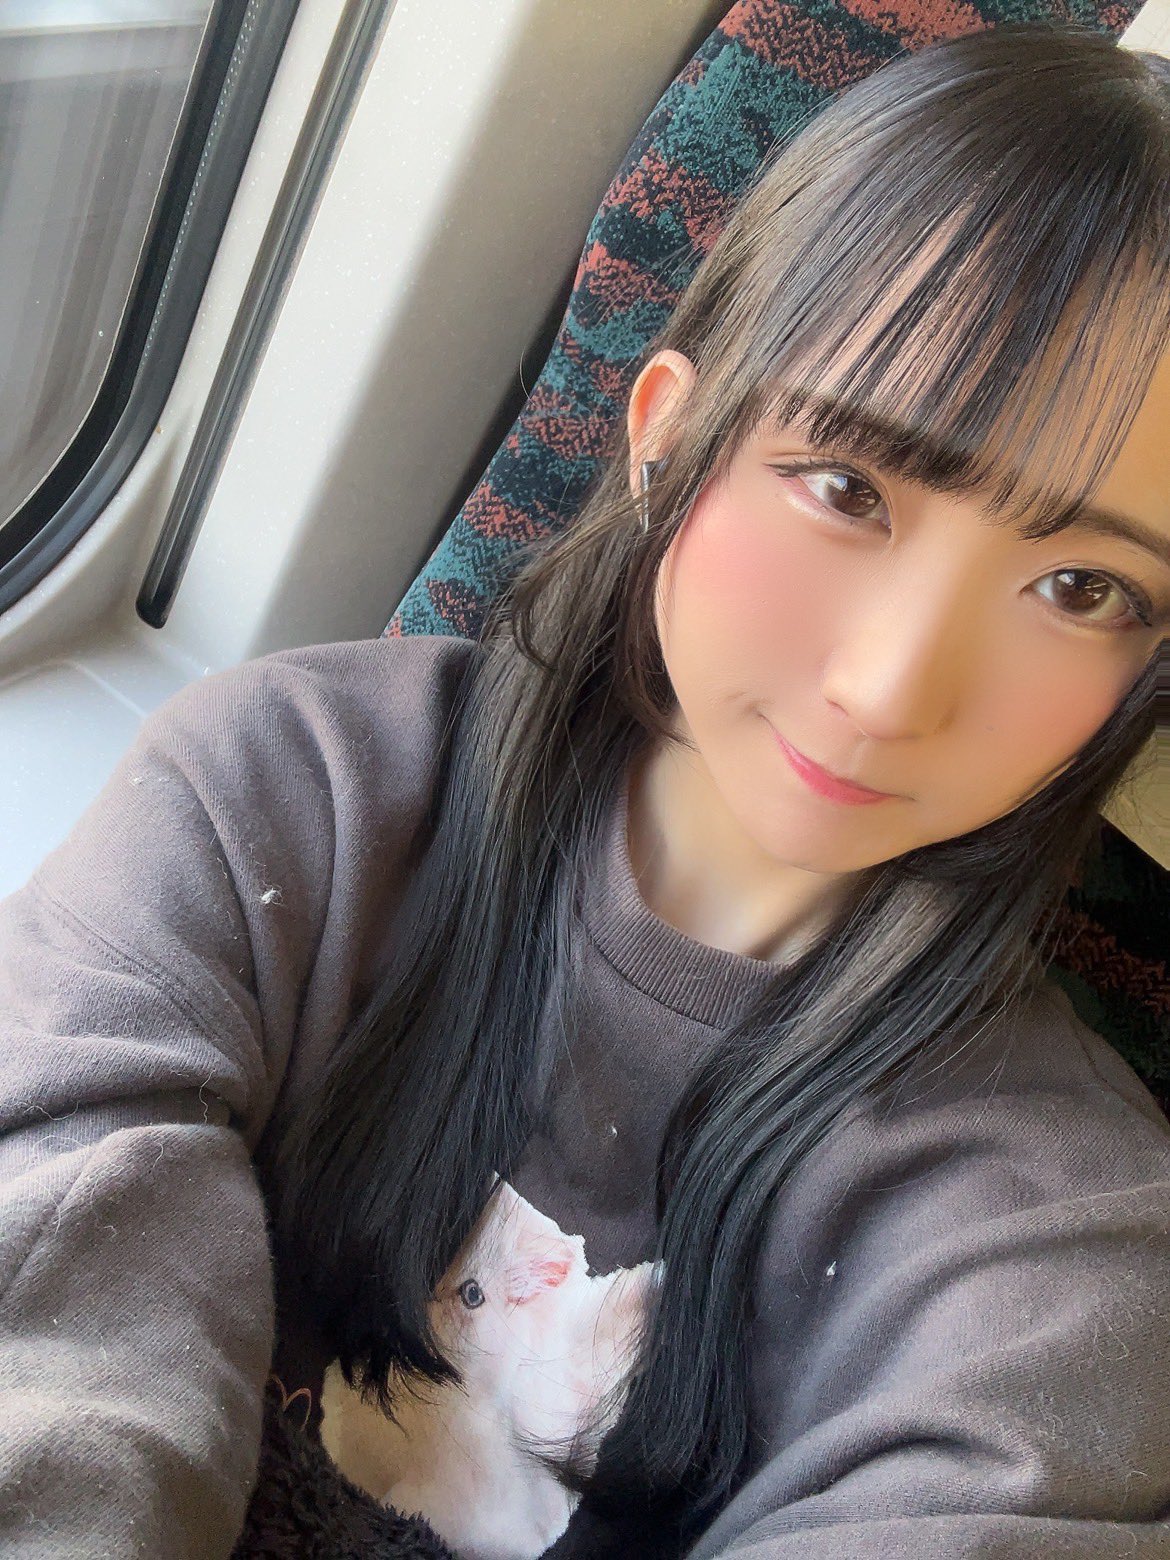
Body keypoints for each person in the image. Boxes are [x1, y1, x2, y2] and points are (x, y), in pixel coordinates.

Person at [2, 19, 1169, 1560]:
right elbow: (51, 1307)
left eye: (1082, 589)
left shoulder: (1061, 1239)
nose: (889, 689)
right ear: (665, 436)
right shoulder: (280, 792)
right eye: (846, 490)